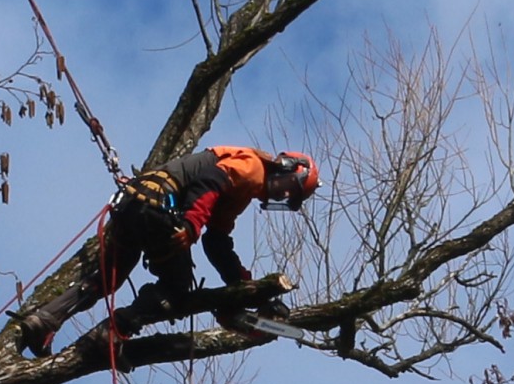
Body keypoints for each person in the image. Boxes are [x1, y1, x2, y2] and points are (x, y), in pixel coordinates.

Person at [24, 146, 320, 353]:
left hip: (135, 204)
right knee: (177, 288)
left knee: (108, 277)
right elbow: (210, 182)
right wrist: (192, 224)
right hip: (157, 208)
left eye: (290, 197)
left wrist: (244, 287)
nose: (282, 195)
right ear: (285, 167)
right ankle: (113, 332)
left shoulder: (245, 188)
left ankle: (44, 319)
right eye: (289, 188)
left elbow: (217, 243)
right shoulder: (253, 167)